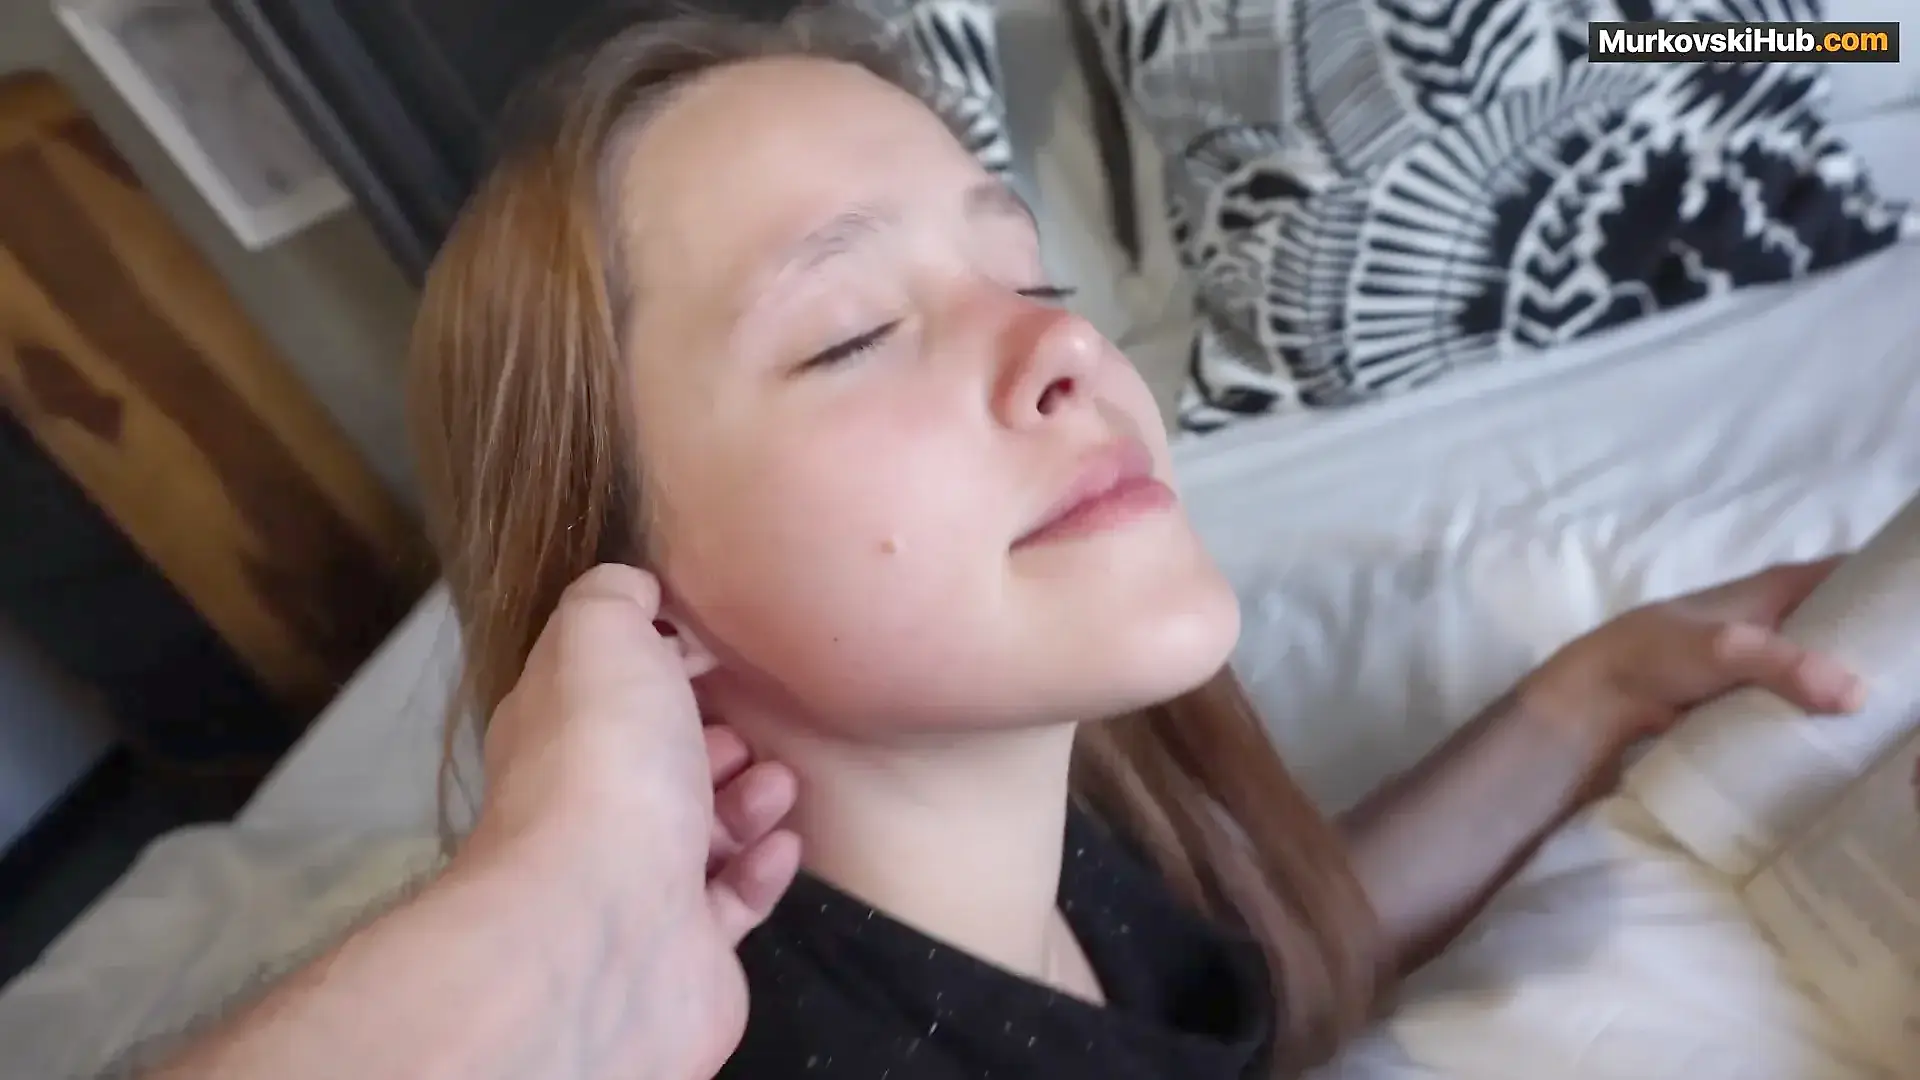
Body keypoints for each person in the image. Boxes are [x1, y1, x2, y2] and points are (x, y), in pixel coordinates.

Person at [138, 6, 1868, 1080]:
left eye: (1029, 270)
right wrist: (529, 938)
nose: (1066, 346)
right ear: (633, 601)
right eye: (849, 334)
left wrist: (1585, 698)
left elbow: (1241, 1000)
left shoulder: (1071, 829)